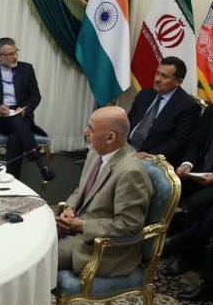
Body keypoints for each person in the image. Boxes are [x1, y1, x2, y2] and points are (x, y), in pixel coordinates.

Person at [56, 106, 152, 277]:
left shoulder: (130, 172)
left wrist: (82, 225)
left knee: (35, 258)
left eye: (91, 128)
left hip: (97, 248)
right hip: (74, 229)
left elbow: (129, 225)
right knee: (29, 238)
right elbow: (82, 189)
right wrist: (70, 208)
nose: (85, 132)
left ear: (110, 137)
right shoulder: (95, 152)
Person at [0, 37, 55, 181]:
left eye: (16, 52)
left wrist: (25, 109)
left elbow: (35, 95)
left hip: (21, 114)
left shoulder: (26, 69)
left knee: (15, 137)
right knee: (16, 123)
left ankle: (12, 179)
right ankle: (39, 161)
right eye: (10, 54)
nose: (15, 56)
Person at [162, 103, 213, 276]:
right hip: (200, 170)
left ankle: (186, 256)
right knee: (168, 185)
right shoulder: (211, 110)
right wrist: (187, 164)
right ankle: (157, 238)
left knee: (198, 202)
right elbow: (197, 142)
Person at [127, 56, 200, 167]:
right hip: (126, 150)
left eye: (164, 76)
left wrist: (148, 155)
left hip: (154, 160)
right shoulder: (145, 93)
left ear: (179, 81)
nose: (157, 79)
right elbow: (128, 122)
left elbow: (178, 142)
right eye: (157, 73)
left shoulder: (188, 106)